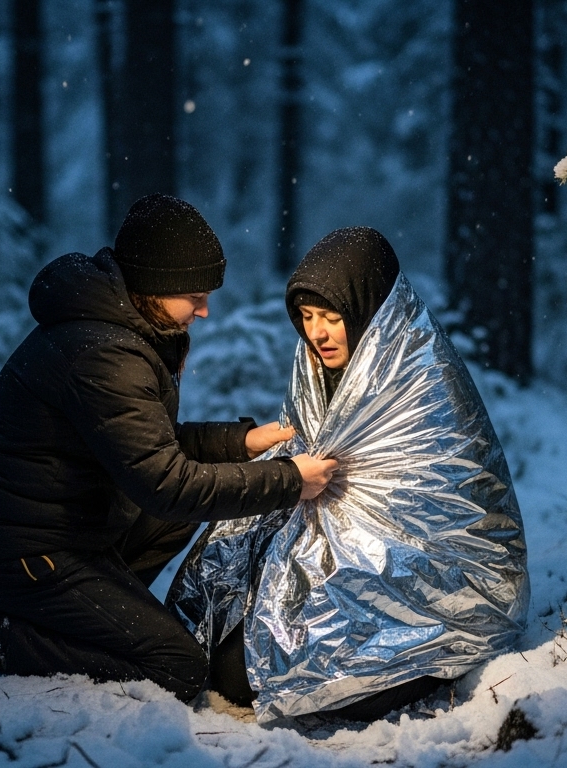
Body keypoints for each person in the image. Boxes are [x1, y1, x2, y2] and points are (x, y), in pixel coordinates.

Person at [0, 194, 338, 700]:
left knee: (173, 519)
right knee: (178, 668)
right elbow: (166, 484)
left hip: (58, 531)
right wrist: (290, 481)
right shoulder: (105, 353)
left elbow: (146, 447)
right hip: (16, 551)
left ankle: (102, 622)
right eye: (195, 295)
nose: (205, 310)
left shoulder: (120, 331)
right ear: (154, 286)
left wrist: (239, 442)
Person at [169, 227, 529, 723]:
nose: (317, 333)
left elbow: (426, 509)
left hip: (430, 579)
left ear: (370, 314)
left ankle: (416, 662)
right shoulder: (317, 366)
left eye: (332, 318)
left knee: (246, 672)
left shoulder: (422, 384)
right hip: (333, 552)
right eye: (307, 317)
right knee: (211, 638)